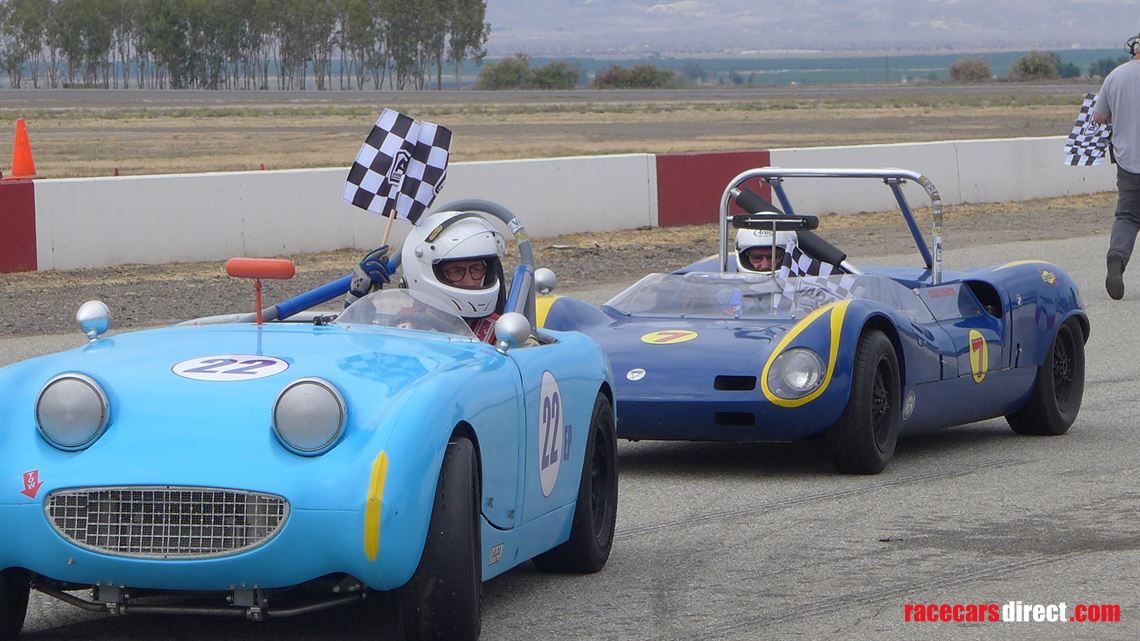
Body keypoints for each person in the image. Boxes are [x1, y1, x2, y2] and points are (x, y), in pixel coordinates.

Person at [346, 211, 507, 343]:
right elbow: (365, 356)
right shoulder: (404, 324)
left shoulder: (504, 334)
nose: (470, 281)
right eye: (456, 271)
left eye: (476, 269)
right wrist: (356, 306)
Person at [1091, 33, 1140, 299]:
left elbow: (1098, 116)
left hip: (1127, 159)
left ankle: (1117, 258)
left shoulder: (1115, 75)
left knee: (1128, 216)